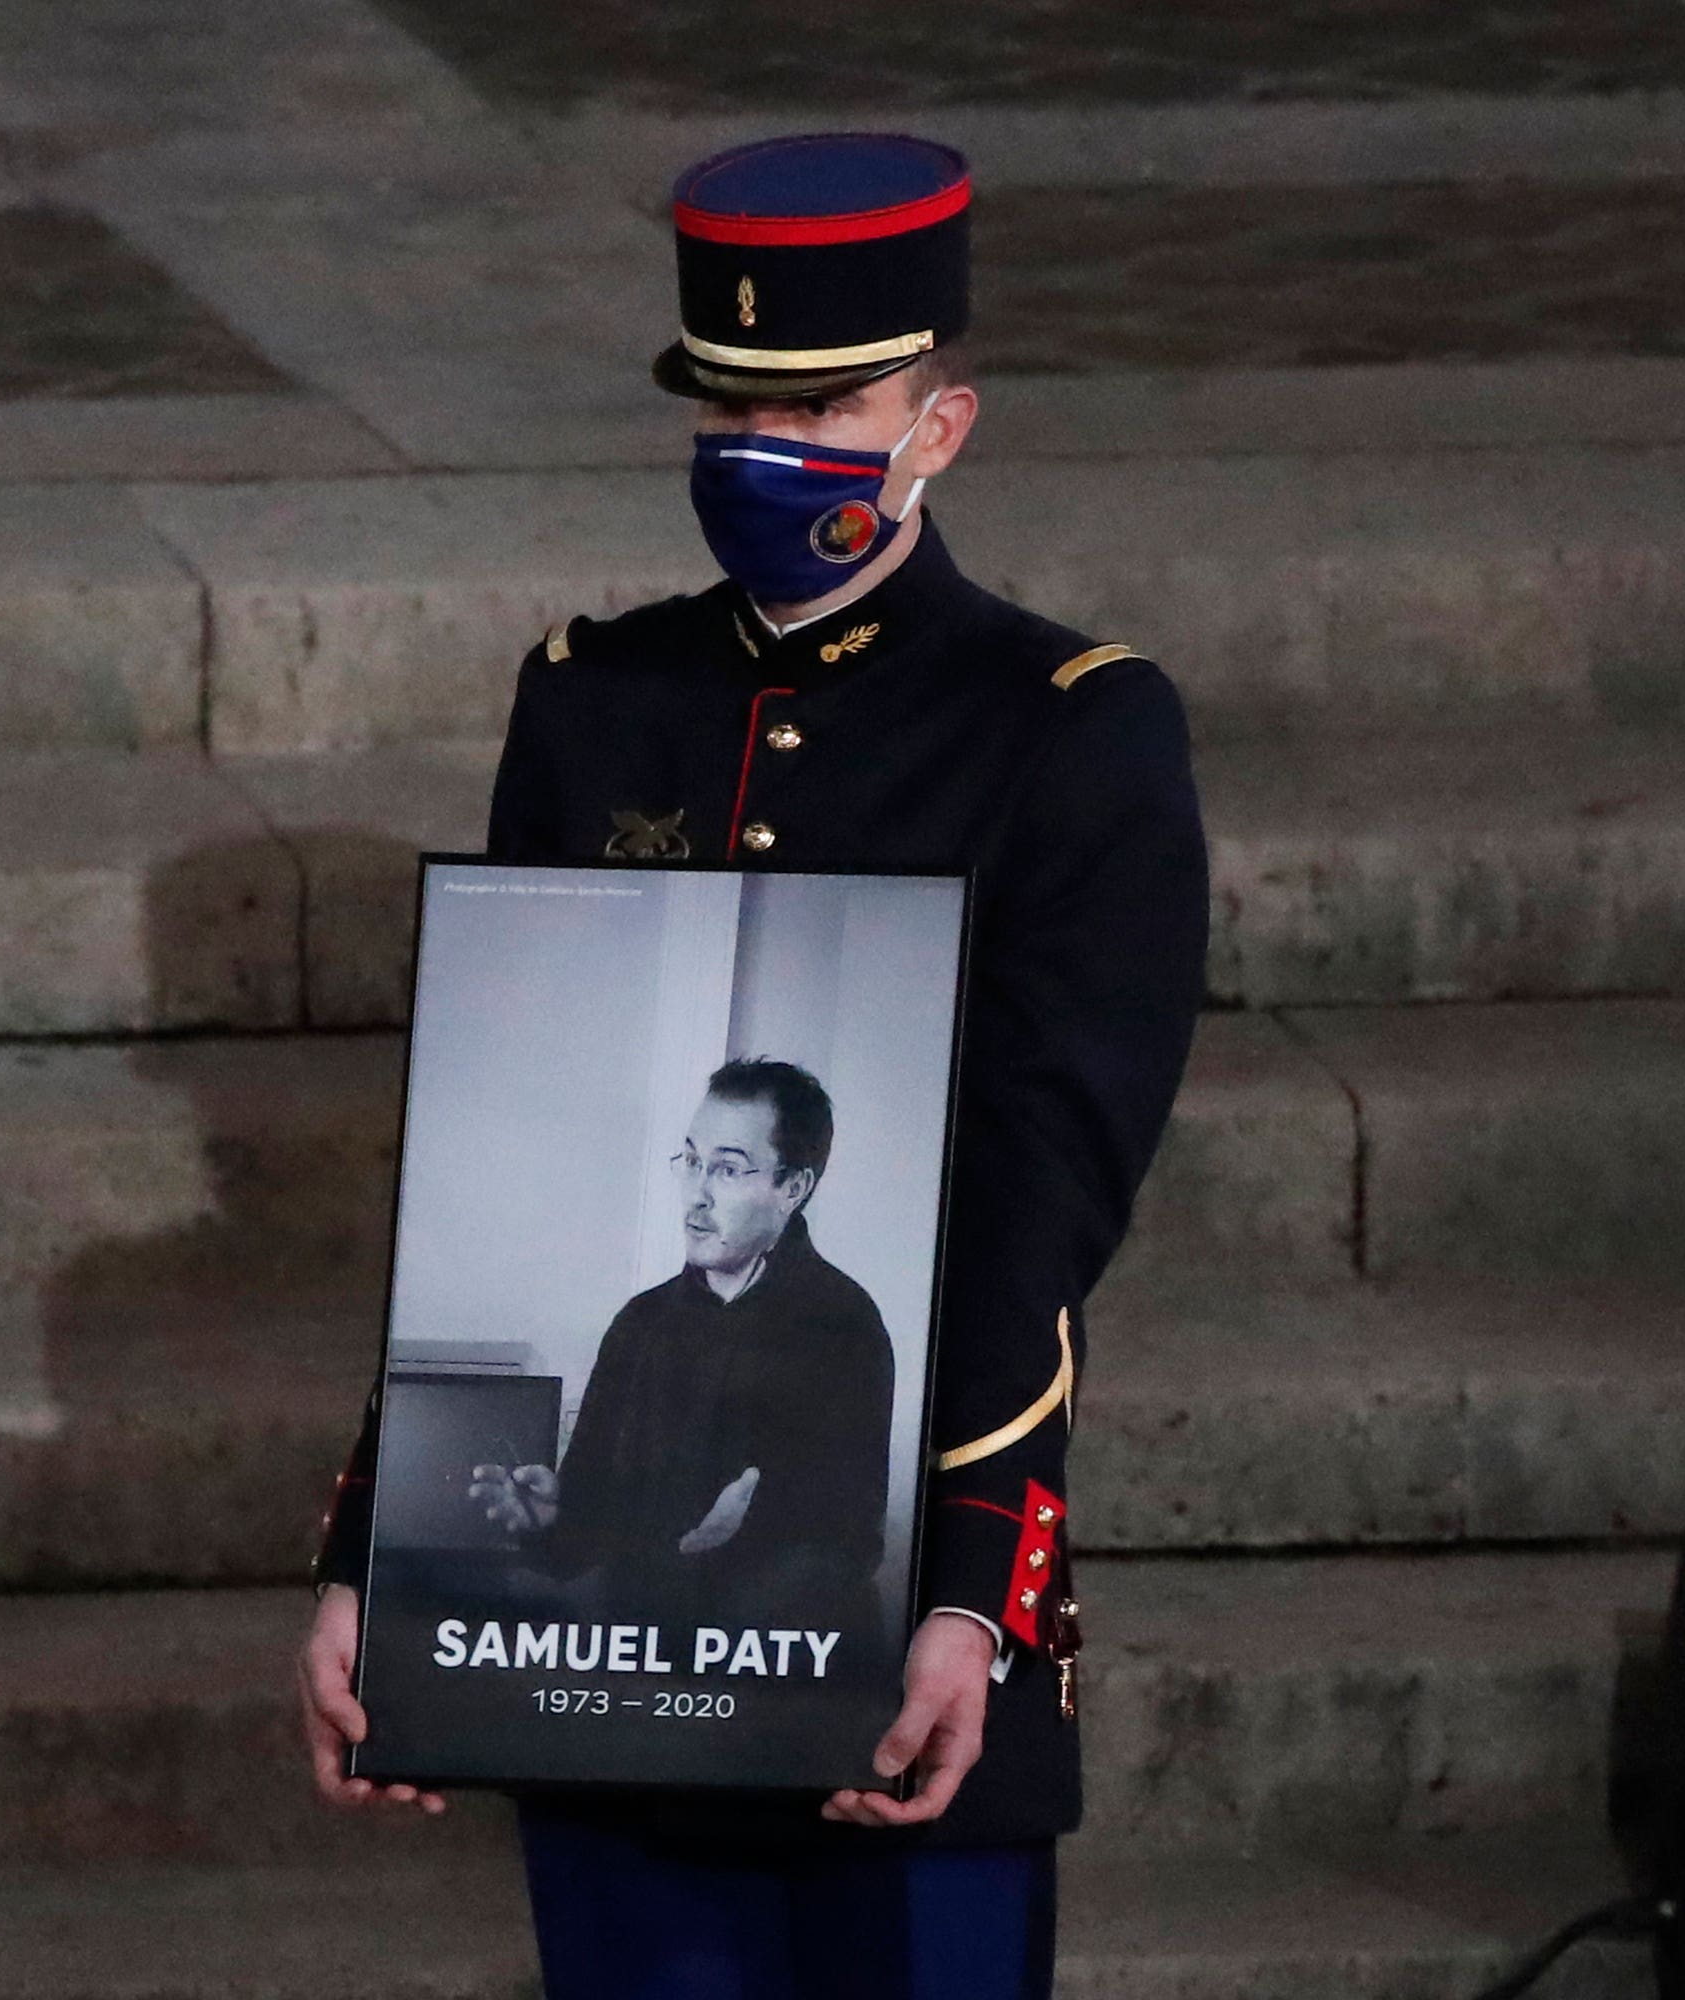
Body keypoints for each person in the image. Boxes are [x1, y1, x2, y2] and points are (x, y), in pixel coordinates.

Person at [299, 129, 1209, 2000]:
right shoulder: (594, 698)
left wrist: (976, 1593)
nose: (761, 445)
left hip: (894, 1650)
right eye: (729, 399)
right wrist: (371, 1554)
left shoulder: (1069, 734)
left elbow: (1043, 1208)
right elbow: (472, 1142)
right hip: (616, 1709)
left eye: (825, 401)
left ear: (942, 424)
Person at [467, 1059, 895, 1643]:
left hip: (770, 1681)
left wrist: (748, 1526)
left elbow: (852, 1540)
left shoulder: (843, 1323)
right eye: (692, 1161)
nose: (696, 1195)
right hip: (638, 1660)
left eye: (727, 1169)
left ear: (792, 1189)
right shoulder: (640, 1323)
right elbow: (589, 1528)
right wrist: (552, 1520)